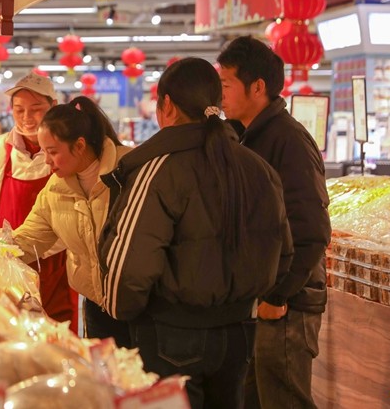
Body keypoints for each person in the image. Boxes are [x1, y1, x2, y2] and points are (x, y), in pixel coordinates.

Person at [99, 57, 292, 409]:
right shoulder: (256, 167)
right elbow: (283, 251)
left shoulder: (159, 168)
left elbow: (130, 264)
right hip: (239, 334)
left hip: (170, 333)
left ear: (167, 106)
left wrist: (122, 315)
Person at [217, 36, 331, 409]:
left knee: (284, 399)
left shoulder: (288, 140)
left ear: (258, 87)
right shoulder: (246, 137)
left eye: (226, 85)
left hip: (287, 305)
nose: (220, 94)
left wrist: (277, 295)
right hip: (259, 300)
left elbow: (311, 230)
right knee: (254, 398)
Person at [11, 96, 133, 347]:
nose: (46, 160)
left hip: (142, 306)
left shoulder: (131, 171)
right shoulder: (56, 188)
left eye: (53, 152)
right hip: (97, 306)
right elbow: (30, 237)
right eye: (44, 152)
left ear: (79, 146)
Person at [0, 72, 74, 326]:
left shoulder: (68, 153)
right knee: (7, 331)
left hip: (56, 266)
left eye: (36, 109)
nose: (27, 118)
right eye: (19, 110)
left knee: (56, 340)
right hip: (5, 265)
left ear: (53, 107)